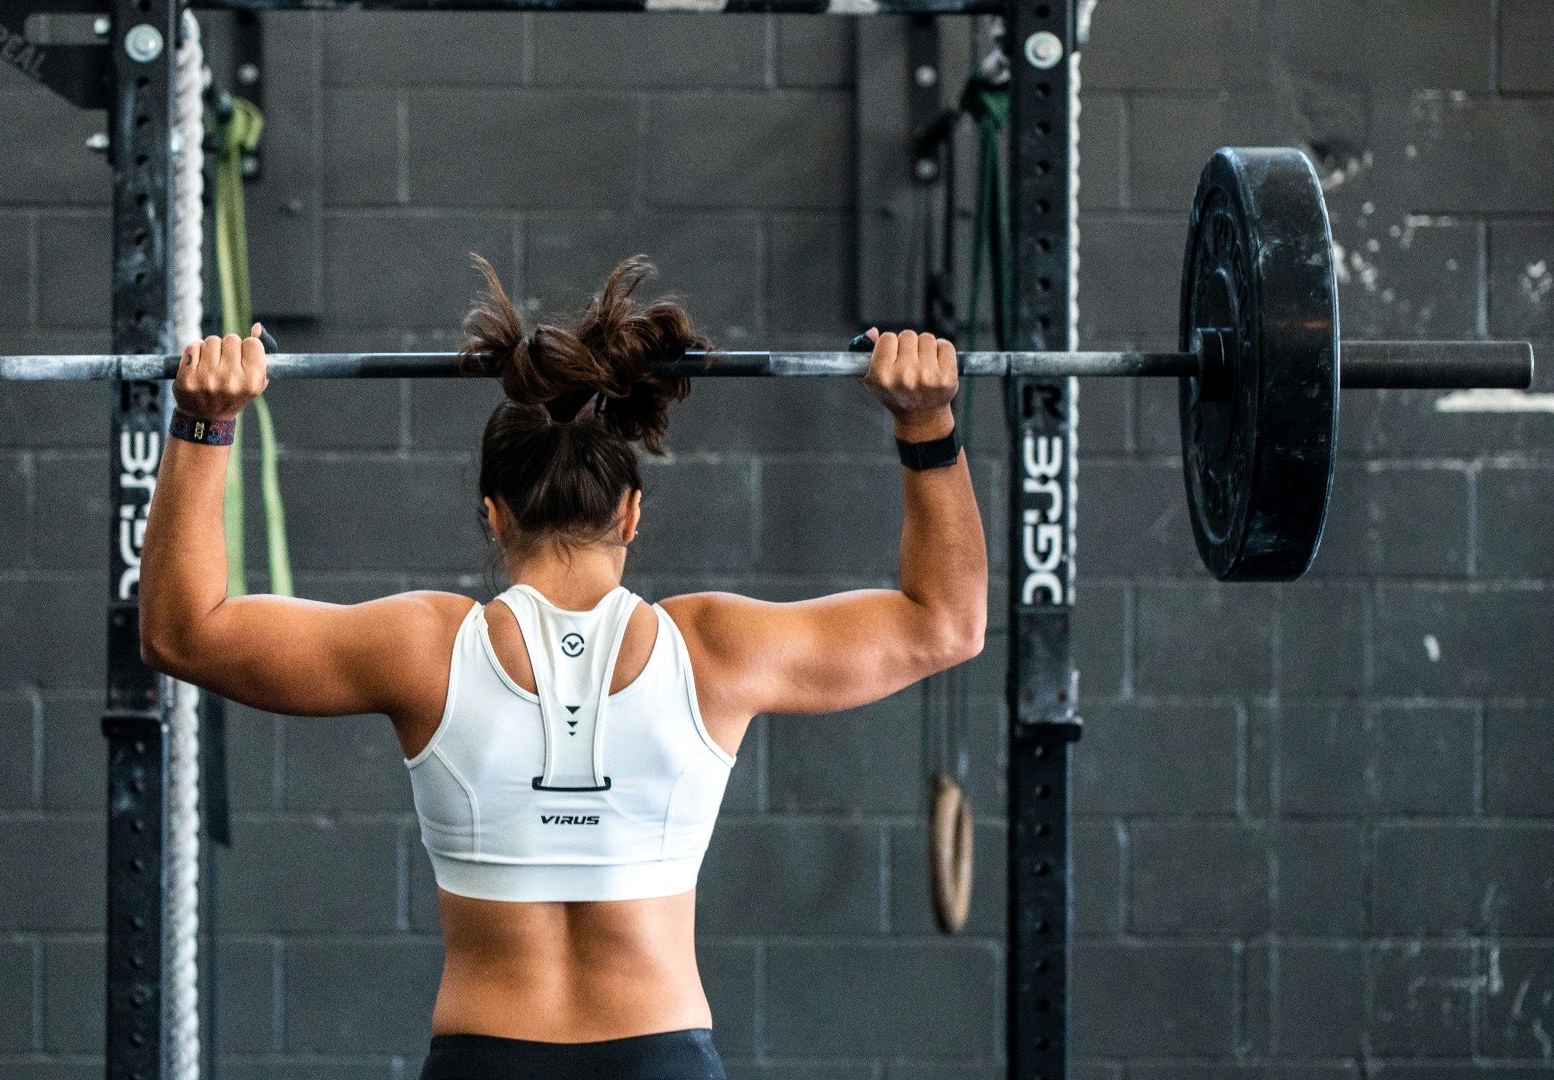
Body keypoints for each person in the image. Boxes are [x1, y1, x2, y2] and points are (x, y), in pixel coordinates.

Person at [138, 256, 987, 1080]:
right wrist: (927, 426)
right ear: (631, 512)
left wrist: (205, 424)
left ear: (492, 514)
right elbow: (945, 623)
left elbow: (184, 632)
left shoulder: (425, 648)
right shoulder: (715, 650)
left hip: (486, 1057)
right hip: (662, 1056)